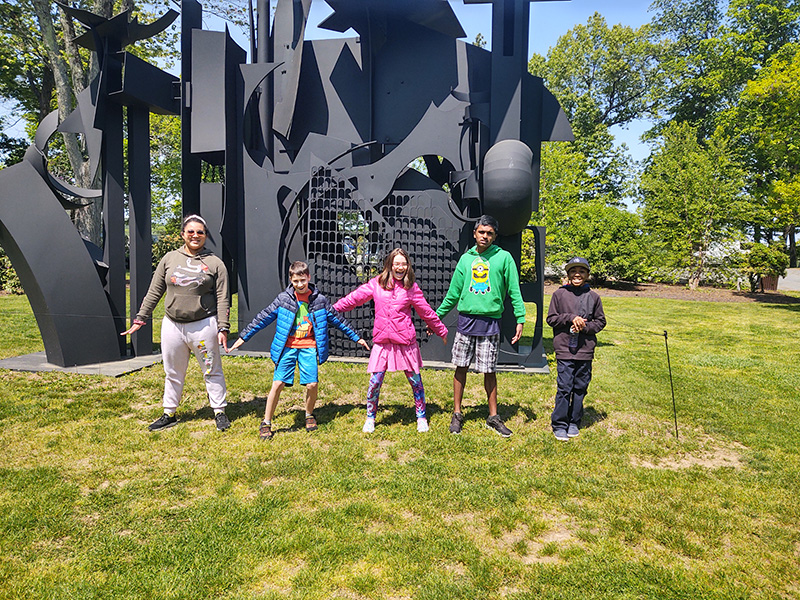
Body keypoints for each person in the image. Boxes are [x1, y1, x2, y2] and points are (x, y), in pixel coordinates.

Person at [228, 260, 369, 440]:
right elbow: (262, 318)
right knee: (277, 384)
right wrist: (242, 338)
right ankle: (266, 422)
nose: (300, 285)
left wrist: (357, 337)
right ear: (291, 280)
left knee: (312, 384)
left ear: (308, 277)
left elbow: (339, 320)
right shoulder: (283, 299)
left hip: (308, 347)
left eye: (303, 280)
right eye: (296, 281)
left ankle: (309, 414)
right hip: (287, 347)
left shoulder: (320, 300)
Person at [121, 214, 232, 432]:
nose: (195, 235)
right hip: (172, 325)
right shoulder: (169, 259)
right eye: (190, 231)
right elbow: (154, 291)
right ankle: (169, 413)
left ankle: (219, 412)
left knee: (211, 370)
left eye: (200, 232)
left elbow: (223, 298)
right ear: (182, 234)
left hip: (203, 326)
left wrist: (223, 327)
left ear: (206, 236)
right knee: (172, 371)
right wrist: (140, 318)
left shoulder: (215, 263)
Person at [333, 248, 448, 433]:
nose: (400, 267)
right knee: (375, 382)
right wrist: (333, 309)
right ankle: (370, 417)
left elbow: (426, 312)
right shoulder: (376, 283)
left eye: (404, 263)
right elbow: (354, 298)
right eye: (397, 263)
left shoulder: (411, 288)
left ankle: (421, 416)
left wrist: (441, 330)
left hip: (405, 342)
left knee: (416, 382)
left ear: (407, 266)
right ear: (390, 265)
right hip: (382, 343)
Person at [435, 215, 525, 437]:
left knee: (489, 370)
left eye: (490, 233)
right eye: (481, 232)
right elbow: (453, 293)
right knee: (460, 367)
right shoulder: (466, 260)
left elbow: (514, 290)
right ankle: (457, 413)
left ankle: (493, 417)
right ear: (475, 233)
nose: (485, 236)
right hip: (466, 322)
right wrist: (436, 318)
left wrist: (520, 318)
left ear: (495, 236)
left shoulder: (504, 258)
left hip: (491, 323)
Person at [546, 256, 606, 441]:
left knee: (580, 387)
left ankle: (574, 421)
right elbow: (551, 319)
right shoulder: (559, 295)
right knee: (564, 386)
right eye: (573, 271)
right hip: (565, 348)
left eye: (581, 271)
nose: (577, 274)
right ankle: (560, 424)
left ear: (587, 275)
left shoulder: (594, 297)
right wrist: (570, 318)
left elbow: (600, 321)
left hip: (585, 350)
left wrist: (584, 326)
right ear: (568, 274)